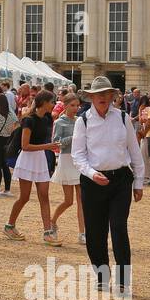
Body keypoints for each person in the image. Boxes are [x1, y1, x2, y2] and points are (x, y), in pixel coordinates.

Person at [72, 77, 145, 294]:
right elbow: (78, 156)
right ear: (91, 97)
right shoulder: (83, 121)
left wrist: (139, 182)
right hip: (93, 181)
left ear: (113, 96)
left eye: (107, 93)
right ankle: (102, 276)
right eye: (99, 94)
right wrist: (92, 174)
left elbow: (134, 151)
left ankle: (123, 281)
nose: (104, 98)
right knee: (95, 232)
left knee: (119, 228)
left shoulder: (122, 118)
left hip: (121, 180)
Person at [4, 90, 60, 245]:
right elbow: (25, 146)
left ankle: (47, 233)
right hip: (28, 159)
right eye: (52, 102)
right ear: (43, 102)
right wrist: (49, 146)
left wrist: (50, 146)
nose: (54, 104)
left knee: (44, 196)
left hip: (40, 158)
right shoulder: (29, 120)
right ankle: (9, 226)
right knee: (24, 197)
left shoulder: (48, 118)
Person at [50, 93, 87, 245]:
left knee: (81, 201)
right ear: (65, 106)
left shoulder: (80, 121)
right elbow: (56, 143)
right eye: (72, 105)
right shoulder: (59, 122)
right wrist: (74, 137)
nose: (76, 108)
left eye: (77, 105)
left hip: (79, 160)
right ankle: (52, 221)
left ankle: (82, 233)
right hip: (66, 159)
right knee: (68, 200)